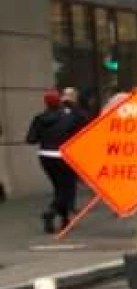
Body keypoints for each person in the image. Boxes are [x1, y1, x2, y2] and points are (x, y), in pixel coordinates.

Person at [26, 88, 82, 232]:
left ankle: (64, 221)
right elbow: (82, 125)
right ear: (59, 101)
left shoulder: (39, 118)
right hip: (63, 156)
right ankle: (51, 212)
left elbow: (31, 139)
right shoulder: (68, 117)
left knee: (58, 188)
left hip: (45, 156)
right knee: (68, 189)